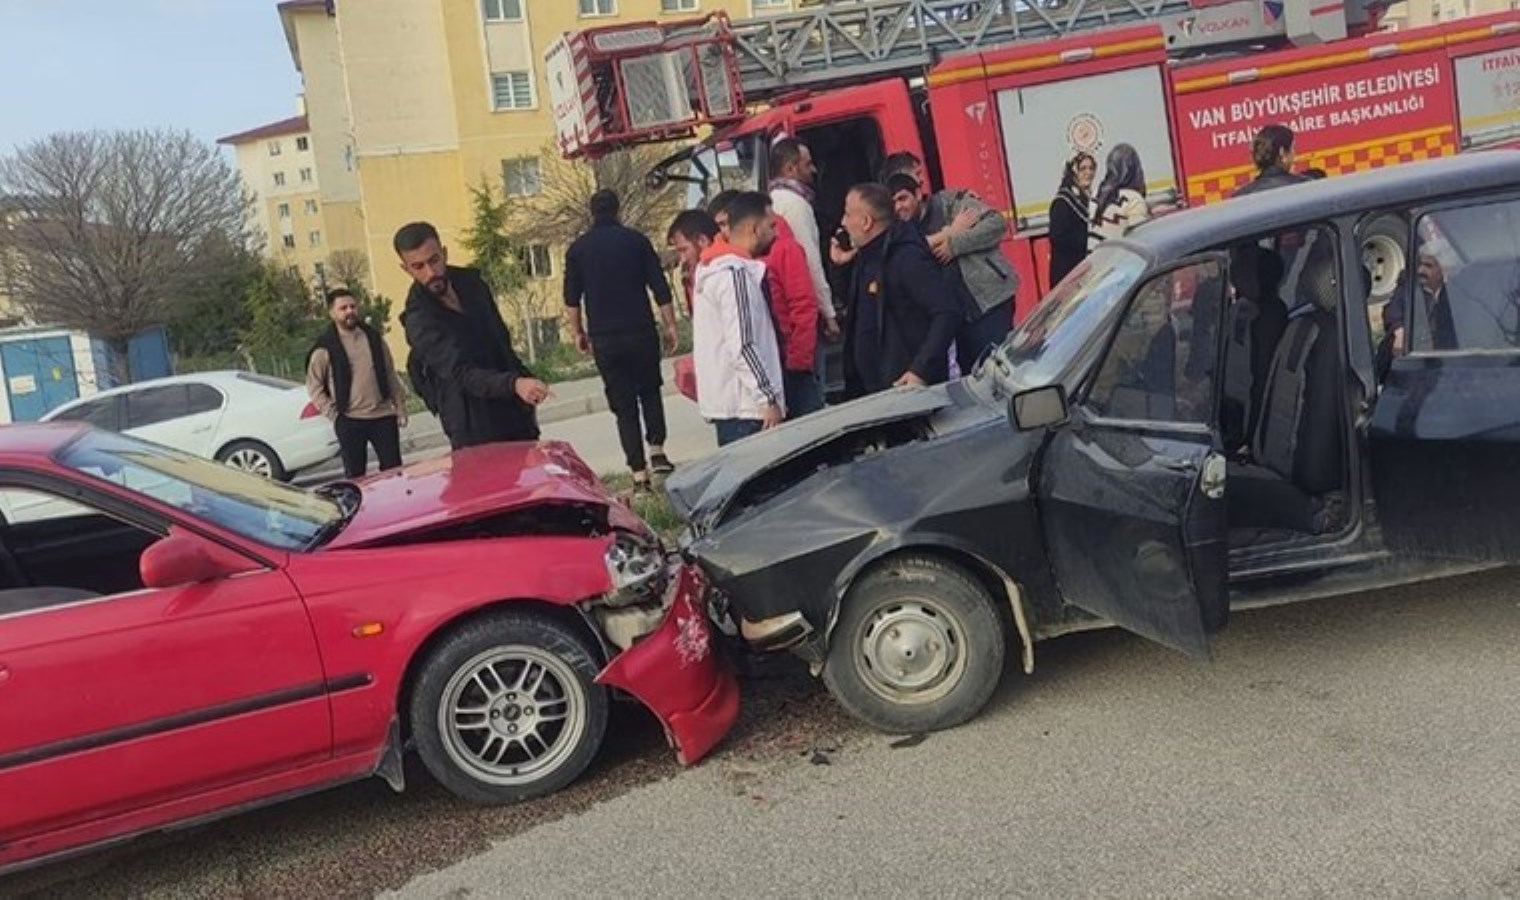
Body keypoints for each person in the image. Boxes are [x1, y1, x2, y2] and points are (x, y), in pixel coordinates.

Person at [563, 189, 682, 489]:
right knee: (650, 390)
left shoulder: (578, 250)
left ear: (592, 213)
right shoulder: (636, 241)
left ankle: (638, 473)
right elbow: (659, 286)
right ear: (617, 211)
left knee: (623, 404)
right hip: (640, 331)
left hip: (605, 339)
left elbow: (571, 298)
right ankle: (657, 452)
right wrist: (670, 326)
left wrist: (578, 332)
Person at [396, 221, 550, 450]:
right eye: (418, 266)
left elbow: (501, 343)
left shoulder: (472, 283)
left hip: (514, 413)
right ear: (406, 269)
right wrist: (514, 384)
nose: (430, 273)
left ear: (444, 253)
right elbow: (461, 373)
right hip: (472, 425)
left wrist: (526, 380)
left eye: (434, 260)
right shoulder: (418, 320)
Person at [830, 182, 960, 395]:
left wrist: (920, 370)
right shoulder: (866, 256)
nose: (843, 222)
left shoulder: (906, 257)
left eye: (847, 214)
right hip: (872, 391)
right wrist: (839, 267)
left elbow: (947, 312)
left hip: (905, 390)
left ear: (866, 222)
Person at [885, 171, 1017, 375]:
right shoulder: (899, 231)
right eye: (893, 202)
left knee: (1000, 371)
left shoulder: (951, 203)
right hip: (954, 318)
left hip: (988, 304)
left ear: (918, 194)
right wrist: (948, 232)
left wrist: (954, 245)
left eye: (903, 198)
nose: (899, 207)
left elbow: (997, 224)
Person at [713, 189, 822, 418]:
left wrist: (799, 360)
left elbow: (803, 305)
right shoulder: (726, 265)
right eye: (721, 225)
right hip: (762, 369)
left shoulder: (783, 249)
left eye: (727, 223)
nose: (725, 230)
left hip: (788, 361)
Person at [689, 193, 786, 446]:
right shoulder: (734, 274)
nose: (775, 233)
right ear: (754, 229)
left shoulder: (713, 269)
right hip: (749, 410)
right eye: (771, 226)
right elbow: (743, 343)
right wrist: (768, 398)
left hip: (733, 407)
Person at [305, 288, 408, 478]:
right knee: (356, 478)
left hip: (383, 415)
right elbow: (315, 387)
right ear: (332, 313)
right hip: (350, 420)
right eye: (343, 308)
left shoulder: (373, 338)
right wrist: (335, 415)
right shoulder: (325, 348)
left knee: (394, 473)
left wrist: (400, 407)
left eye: (352, 306)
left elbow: (389, 373)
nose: (349, 311)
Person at [769, 138, 841, 400]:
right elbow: (810, 261)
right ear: (790, 169)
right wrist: (829, 313)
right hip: (805, 311)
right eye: (807, 164)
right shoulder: (795, 205)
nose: (813, 170)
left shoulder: (771, 201)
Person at [1048, 152, 1097, 286]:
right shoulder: (1062, 201)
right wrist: (1086, 240)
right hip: (1069, 272)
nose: (1089, 173)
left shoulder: (1089, 198)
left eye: (1091, 168)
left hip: (1087, 267)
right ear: (1073, 171)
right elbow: (1057, 237)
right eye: (1083, 169)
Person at [1092, 143, 1151, 242]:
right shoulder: (1133, 199)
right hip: (1117, 255)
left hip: (1095, 255)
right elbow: (1141, 240)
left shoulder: (1095, 194)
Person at [1233, 124, 1308, 198]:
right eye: (1292, 148)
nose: (1294, 154)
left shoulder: (1240, 197)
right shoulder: (1306, 187)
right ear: (1282, 152)